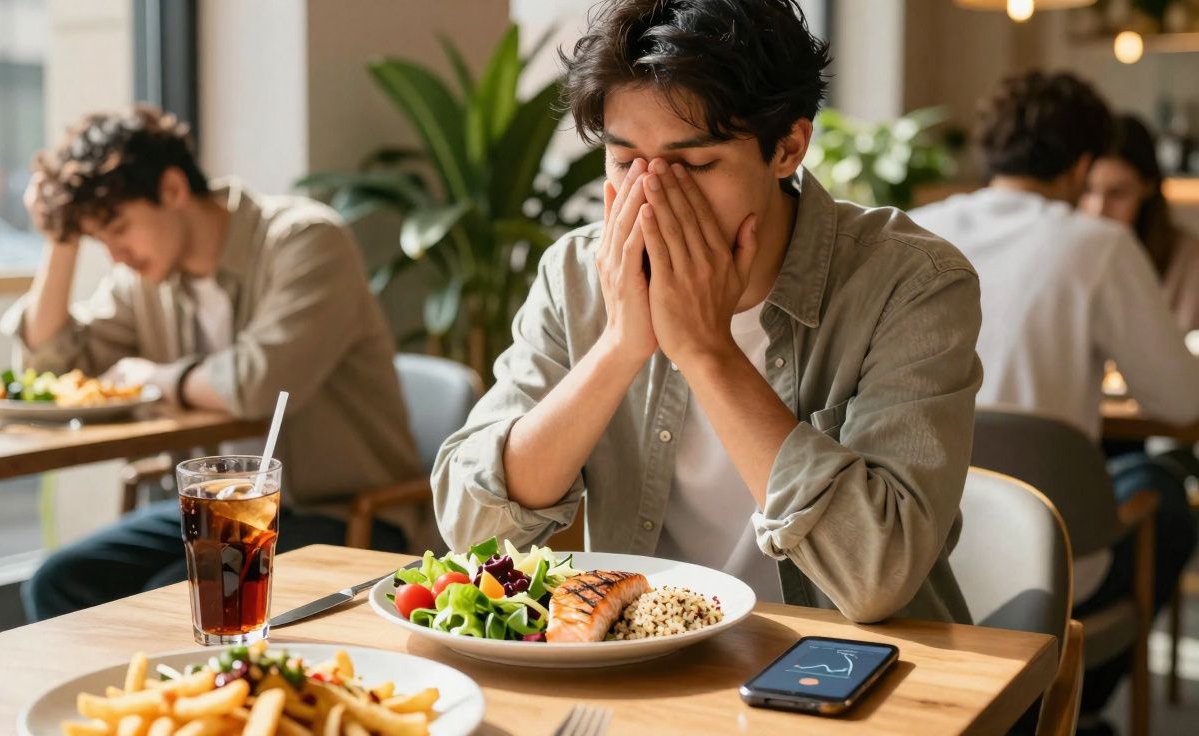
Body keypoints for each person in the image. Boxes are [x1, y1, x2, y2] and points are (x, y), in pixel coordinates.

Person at [432, 0, 984, 625]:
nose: (652, 196)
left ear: (788, 148)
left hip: (853, 671)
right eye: (623, 161)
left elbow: (877, 576)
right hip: (645, 662)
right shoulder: (576, 273)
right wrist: (619, 347)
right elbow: (471, 530)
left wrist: (705, 349)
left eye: (694, 164)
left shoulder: (911, 283)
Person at [4, 105, 420, 620]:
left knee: (165, 597)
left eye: (117, 227)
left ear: (173, 189)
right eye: (97, 238)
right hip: (220, 507)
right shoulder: (147, 281)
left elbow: (258, 384)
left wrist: (155, 378)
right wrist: (60, 238)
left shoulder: (306, 241)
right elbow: (52, 365)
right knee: (61, 582)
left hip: (336, 510)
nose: (115, 255)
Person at [910, 72, 1199, 732]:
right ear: (1082, 164)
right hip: (1052, 566)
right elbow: (1179, 400)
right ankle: (1074, 700)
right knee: (1162, 494)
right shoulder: (1096, 245)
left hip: (914, 556)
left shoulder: (913, 230)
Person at [1081, 113, 1199, 333]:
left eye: (1116, 193)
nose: (1098, 210)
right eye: (1088, 191)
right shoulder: (1066, 255)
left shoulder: (1188, 261)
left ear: (1148, 187)